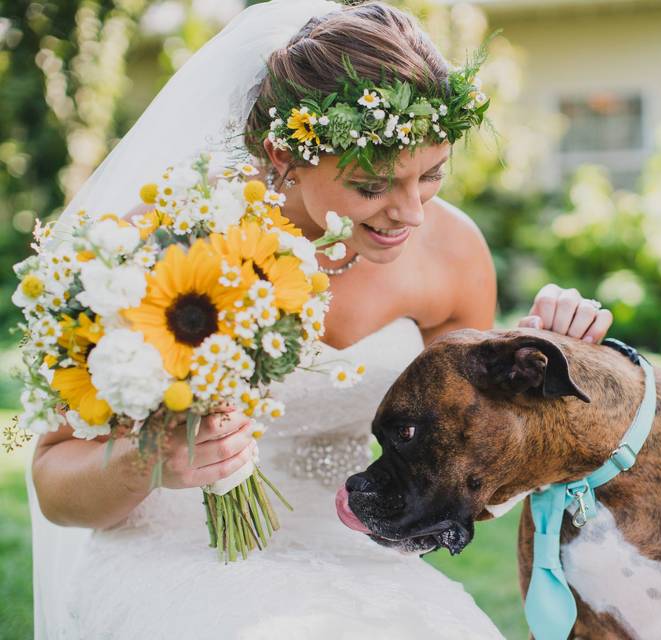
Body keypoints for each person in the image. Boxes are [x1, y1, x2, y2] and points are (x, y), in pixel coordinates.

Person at [26, 2, 613, 638]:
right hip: (169, 559)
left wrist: (529, 384)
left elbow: (463, 485)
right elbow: (57, 487)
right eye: (373, 186)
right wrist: (149, 462)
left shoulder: (454, 255)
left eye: (433, 174)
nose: (410, 212)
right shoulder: (162, 243)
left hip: (353, 557)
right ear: (284, 155)